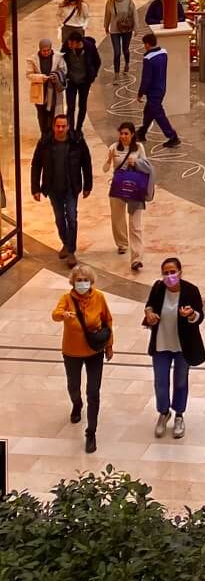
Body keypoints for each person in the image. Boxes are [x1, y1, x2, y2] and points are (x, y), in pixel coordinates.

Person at [142, 256, 205, 442]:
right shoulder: (158, 288)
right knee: (160, 382)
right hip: (161, 344)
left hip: (182, 346)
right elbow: (149, 306)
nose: (169, 276)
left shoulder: (191, 290)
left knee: (180, 381)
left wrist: (191, 314)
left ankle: (179, 415)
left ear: (180, 272)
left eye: (172, 272)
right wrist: (149, 314)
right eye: (166, 273)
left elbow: (200, 316)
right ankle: (163, 412)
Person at [52, 263, 112, 454]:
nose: (83, 283)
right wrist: (64, 315)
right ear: (73, 282)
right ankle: (77, 404)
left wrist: (109, 345)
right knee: (73, 385)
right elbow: (55, 315)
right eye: (79, 280)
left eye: (86, 280)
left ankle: (91, 432)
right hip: (72, 352)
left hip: (95, 352)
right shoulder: (66, 298)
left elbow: (107, 320)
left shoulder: (99, 297)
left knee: (93, 392)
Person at [32, 112, 94, 263]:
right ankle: (66, 243)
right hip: (53, 188)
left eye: (63, 126)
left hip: (71, 187)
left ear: (68, 127)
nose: (60, 129)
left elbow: (86, 164)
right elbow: (36, 165)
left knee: (72, 218)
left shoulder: (77, 142)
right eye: (58, 126)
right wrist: (35, 188)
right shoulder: (45, 143)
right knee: (60, 218)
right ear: (53, 127)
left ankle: (71, 251)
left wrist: (88, 185)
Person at [104, 120, 153, 273]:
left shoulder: (139, 148)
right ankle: (122, 244)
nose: (123, 136)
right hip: (118, 187)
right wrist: (109, 159)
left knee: (135, 226)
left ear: (132, 135)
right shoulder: (113, 147)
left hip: (135, 190)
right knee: (117, 217)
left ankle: (137, 258)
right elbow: (105, 169)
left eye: (126, 134)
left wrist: (136, 161)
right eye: (121, 133)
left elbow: (147, 167)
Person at [136, 32, 181, 146]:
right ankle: (142, 131)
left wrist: (140, 93)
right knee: (148, 111)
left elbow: (146, 78)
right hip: (162, 87)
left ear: (147, 44)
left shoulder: (148, 59)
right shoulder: (163, 53)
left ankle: (172, 136)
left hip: (153, 91)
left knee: (159, 114)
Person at [60, 27, 101, 133]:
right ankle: (71, 129)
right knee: (71, 106)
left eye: (71, 43)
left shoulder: (89, 47)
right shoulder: (66, 47)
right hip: (71, 80)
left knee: (82, 105)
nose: (69, 44)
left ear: (77, 42)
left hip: (84, 81)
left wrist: (92, 76)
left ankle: (79, 128)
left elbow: (97, 62)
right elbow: (60, 59)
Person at [27, 36, 64, 139]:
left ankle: (50, 134)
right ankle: (44, 133)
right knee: (41, 113)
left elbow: (63, 70)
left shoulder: (58, 57)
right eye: (44, 51)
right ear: (40, 49)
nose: (46, 52)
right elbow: (29, 75)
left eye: (48, 50)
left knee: (52, 113)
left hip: (53, 91)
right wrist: (41, 78)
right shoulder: (32, 59)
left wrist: (55, 76)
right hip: (40, 91)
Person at [103, 0, 137, 76]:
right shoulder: (109, 2)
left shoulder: (128, 0)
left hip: (126, 29)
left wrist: (136, 28)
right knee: (117, 52)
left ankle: (127, 63)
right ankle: (116, 74)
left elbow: (134, 14)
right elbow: (107, 16)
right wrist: (106, 26)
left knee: (125, 49)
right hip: (114, 30)